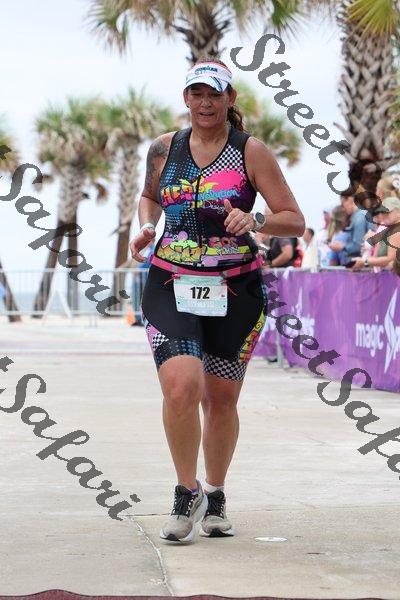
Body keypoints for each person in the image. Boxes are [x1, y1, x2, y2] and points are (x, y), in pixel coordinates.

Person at [129, 56, 305, 544]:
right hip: (170, 282)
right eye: (197, 94)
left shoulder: (250, 151)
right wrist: (147, 226)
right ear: (186, 98)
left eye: (214, 94)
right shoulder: (164, 148)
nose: (205, 103)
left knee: (221, 400)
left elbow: (294, 219)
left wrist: (256, 220)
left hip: (236, 288)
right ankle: (186, 492)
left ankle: (216, 492)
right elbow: (150, 196)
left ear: (230, 98)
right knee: (180, 389)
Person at [351, 175, 400, 272]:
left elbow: (390, 259)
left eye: (388, 212)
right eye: (382, 212)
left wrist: (365, 261)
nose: (384, 215)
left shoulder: (396, 231)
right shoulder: (389, 228)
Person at [329, 190, 373, 265]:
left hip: (360, 265)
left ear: (349, 200)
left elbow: (358, 245)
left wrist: (342, 247)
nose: (343, 208)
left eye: (343, 204)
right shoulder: (359, 216)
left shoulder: (359, 217)